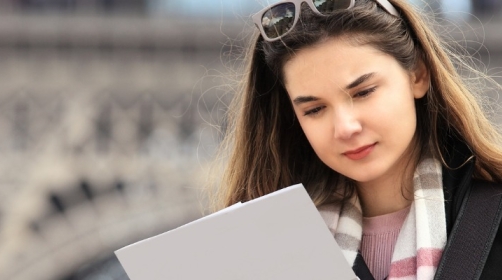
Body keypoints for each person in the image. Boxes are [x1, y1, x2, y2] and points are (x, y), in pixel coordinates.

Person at [211, 0, 502, 279]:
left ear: (418, 75)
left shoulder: (492, 218)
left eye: (363, 92)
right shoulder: (263, 249)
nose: (345, 127)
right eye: (314, 109)